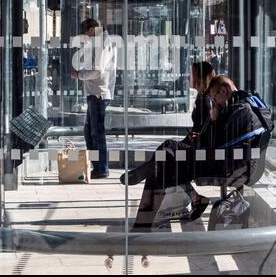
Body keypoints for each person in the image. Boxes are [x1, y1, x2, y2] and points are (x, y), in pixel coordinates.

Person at [129, 75, 272, 232]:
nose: (213, 102)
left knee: (163, 163)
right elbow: (221, 141)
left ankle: (142, 222)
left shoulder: (240, 110)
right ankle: (142, 220)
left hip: (228, 166)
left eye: (214, 97)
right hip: (232, 162)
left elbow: (215, 144)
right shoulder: (246, 103)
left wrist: (213, 117)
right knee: (166, 155)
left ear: (224, 91)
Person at [121, 61, 216, 223]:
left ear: (199, 78)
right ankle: (195, 198)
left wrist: (193, 138)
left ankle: (147, 169)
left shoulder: (204, 100)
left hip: (198, 152)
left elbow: (203, 132)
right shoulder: (203, 97)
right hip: (197, 147)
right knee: (166, 158)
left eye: (191, 75)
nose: (188, 78)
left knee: (167, 150)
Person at [72, 18, 117, 179]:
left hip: (99, 93)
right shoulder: (100, 42)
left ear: (92, 29)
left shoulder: (102, 44)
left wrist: (79, 74)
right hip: (96, 92)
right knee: (90, 131)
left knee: (96, 132)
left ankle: (101, 168)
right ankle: (97, 166)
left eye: (86, 34)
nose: (87, 38)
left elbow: (97, 71)